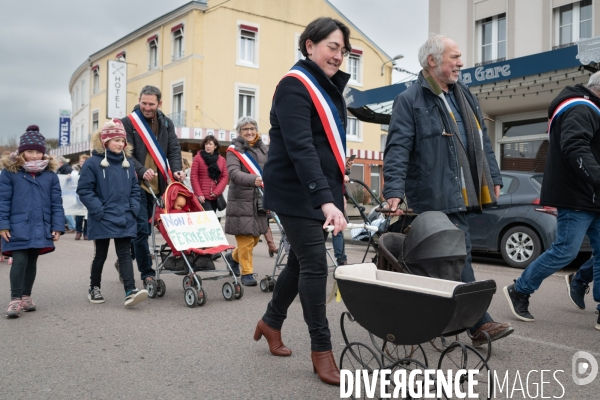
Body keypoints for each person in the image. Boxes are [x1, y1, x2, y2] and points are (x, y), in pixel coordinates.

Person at [382, 35, 514, 347]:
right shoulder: (410, 100)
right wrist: (394, 192)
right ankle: (479, 324)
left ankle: (426, 318)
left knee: (445, 259)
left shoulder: (463, 95)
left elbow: (481, 141)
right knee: (458, 254)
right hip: (432, 192)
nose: (460, 63)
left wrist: (492, 175)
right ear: (432, 61)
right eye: (454, 57)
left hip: (463, 190)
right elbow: (397, 149)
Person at [256, 17, 350, 386]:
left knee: (298, 264)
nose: (338, 56)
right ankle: (322, 351)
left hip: (316, 190)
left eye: (343, 50)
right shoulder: (295, 86)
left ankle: (270, 322)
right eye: (332, 47)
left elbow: (322, 146)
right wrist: (326, 200)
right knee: (314, 265)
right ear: (309, 45)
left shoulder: (325, 88)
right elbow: (301, 147)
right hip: (297, 192)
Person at [504, 72, 600, 331]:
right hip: (577, 196)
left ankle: (584, 286)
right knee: (565, 251)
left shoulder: (590, 108)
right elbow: (575, 148)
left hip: (592, 196)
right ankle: (519, 290)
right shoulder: (581, 107)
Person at [77, 120, 148, 307]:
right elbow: (84, 190)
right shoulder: (93, 163)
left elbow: (135, 188)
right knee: (100, 254)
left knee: (124, 253)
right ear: (105, 141)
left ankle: (130, 290)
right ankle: (94, 287)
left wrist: (133, 208)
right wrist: (98, 210)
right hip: (102, 216)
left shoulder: (128, 164)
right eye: (116, 140)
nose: (120, 144)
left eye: (122, 140)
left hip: (124, 215)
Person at [121, 85, 185, 289]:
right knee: (141, 230)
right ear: (139, 100)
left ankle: (125, 259)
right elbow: (126, 154)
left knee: (155, 229)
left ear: (159, 103)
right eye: (143, 103)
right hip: (137, 185)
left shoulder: (166, 123)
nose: (147, 107)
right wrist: (141, 171)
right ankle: (147, 274)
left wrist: (177, 170)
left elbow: (174, 149)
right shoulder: (129, 122)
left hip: (160, 186)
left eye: (151, 104)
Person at [0, 125, 64, 318]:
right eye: (30, 152)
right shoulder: (9, 173)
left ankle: (26, 296)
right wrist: (3, 224)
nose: (34, 155)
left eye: (38, 152)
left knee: (32, 261)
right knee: (19, 260)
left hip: (40, 226)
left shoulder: (50, 176)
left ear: (43, 153)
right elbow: (3, 200)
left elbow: (56, 203)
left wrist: (57, 226)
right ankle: (15, 299)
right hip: (17, 226)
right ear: (22, 152)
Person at [223, 117, 269, 286]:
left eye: (252, 128)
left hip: (259, 200)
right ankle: (247, 273)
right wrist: (253, 179)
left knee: (256, 238)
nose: (249, 132)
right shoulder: (233, 151)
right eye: (245, 130)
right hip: (241, 201)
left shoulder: (264, 150)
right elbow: (233, 173)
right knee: (246, 241)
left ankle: (232, 258)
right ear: (239, 132)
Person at [190, 135, 228, 212]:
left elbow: (225, 177)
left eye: (210, 144)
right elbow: (193, 177)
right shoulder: (198, 158)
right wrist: (199, 194)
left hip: (215, 197)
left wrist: (217, 191)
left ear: (215, 146)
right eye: (206, 144)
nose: (208, 146)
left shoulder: (221, 160)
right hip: (202, 197)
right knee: (210, 219)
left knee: (214, 219)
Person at [71, 154, 90, 240]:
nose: (81, 163)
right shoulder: (76, 171)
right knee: (79, 214)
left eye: (83, 161)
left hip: (87, 194)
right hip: (78, 195)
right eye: (80, 161)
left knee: (87, 215)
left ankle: (86, 232)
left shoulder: (90, 170)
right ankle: (79, 231)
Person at [57, 155, 76, 233]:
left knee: (66, 209)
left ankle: (72, 225)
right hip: (64, 192)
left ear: (60, 162)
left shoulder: (66, 169)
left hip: (67, 192)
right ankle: (69, 225)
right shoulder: (63, 169)